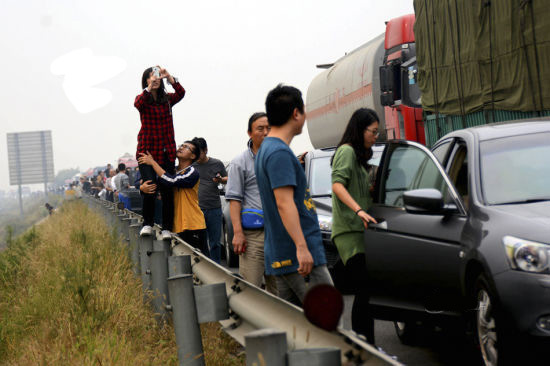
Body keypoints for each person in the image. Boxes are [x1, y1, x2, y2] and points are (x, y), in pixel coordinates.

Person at [255, 84, 332, 306]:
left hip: (284, 255)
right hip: (298, 257)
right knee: (328, 324)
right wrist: (301, 247)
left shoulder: (267, 150)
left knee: (298, 329)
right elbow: (284, 203)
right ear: (296, 113)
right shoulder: (278, 152)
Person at [331, 108, 379, 344]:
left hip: (361, 231)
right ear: (360, 130)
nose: (375, 136)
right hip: (349, 230)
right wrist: (358, 210)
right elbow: (337, 186)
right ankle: (364, 345)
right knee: (363, 291)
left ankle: (366, 345)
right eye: (373, 131)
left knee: (366, 292)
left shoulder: (358, 158)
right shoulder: (346, 151)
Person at [226, 112, 277, 294]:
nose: (265, 132)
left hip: (279, 234)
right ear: (250, 133)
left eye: (269, 128)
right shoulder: (240, 162)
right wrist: (238, 233)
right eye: (260, 128)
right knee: (251, 292)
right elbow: (234, 200)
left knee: (280, 294)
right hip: (253, 237)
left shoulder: (280, 158)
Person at [135, 65, 185, 239]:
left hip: (166, 151)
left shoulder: (167, 99)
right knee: (149, 185)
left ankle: (166, 228)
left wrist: (169, 77)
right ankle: (147, 224)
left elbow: (181, 93)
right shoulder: (143, 98)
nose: (155, 79)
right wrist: (149, 88)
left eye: (157, 76)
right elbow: (138, 103)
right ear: (146, 81)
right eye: (151, 76)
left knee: (167, 189)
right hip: (146, 151)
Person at [138, 141, 208, 254]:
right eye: (182, 145)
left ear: (193, 156)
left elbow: (171, 181)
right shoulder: (170, 171)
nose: (181, 147)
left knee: (200, 263)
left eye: (186, 147)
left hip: (193, 224)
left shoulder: (192, 172)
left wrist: (153, 162)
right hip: (175, 227)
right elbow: (156, 187)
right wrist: (142, 188)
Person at [192, 137, 227, 264]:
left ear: (206, 150)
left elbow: (227, 178)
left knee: (215, 242)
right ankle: (203, 267)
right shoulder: (191, 165)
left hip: (214, 208)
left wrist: (220, 179)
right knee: (199, 242)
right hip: (196, 209)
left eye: (199, 152)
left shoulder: (217, 163)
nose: (197, 156)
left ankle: (216, 267)